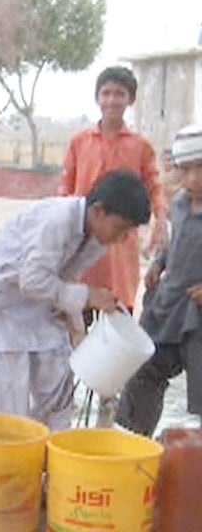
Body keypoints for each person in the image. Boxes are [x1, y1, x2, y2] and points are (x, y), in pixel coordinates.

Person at [0, 170, 151, 430]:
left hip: (38, 308)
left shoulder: (96, 239)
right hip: (3, 308)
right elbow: (33, 280)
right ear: (98, 211)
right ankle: (10, 463)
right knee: (7, 409)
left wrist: (78, 334)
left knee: (60, 389)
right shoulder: (57, 221)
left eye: (127, 232)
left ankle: (53, 455)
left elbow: (66, 280)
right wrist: (88, 297)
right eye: (120, 229)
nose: (121, 239)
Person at [116, 125, 202, 437]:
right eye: (186, 169)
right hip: (169, 306)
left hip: (199, 317)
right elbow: (173, 244)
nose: (193, 178)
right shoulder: (178, 205)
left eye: (200, 168)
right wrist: (158, 264)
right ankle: (132, 442)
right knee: (144, 370)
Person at [59, 66, 167, 312]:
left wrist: (160, 221)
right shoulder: (79, 142)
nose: (111, 100)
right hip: (82, 236)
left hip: (120, 241)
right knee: (76, 307)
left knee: (117, 309)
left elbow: (154, 186)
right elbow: (65, 190)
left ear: (130, 99)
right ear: (97, 98)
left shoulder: (140, 146)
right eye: (105, 93)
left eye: (119, 93)